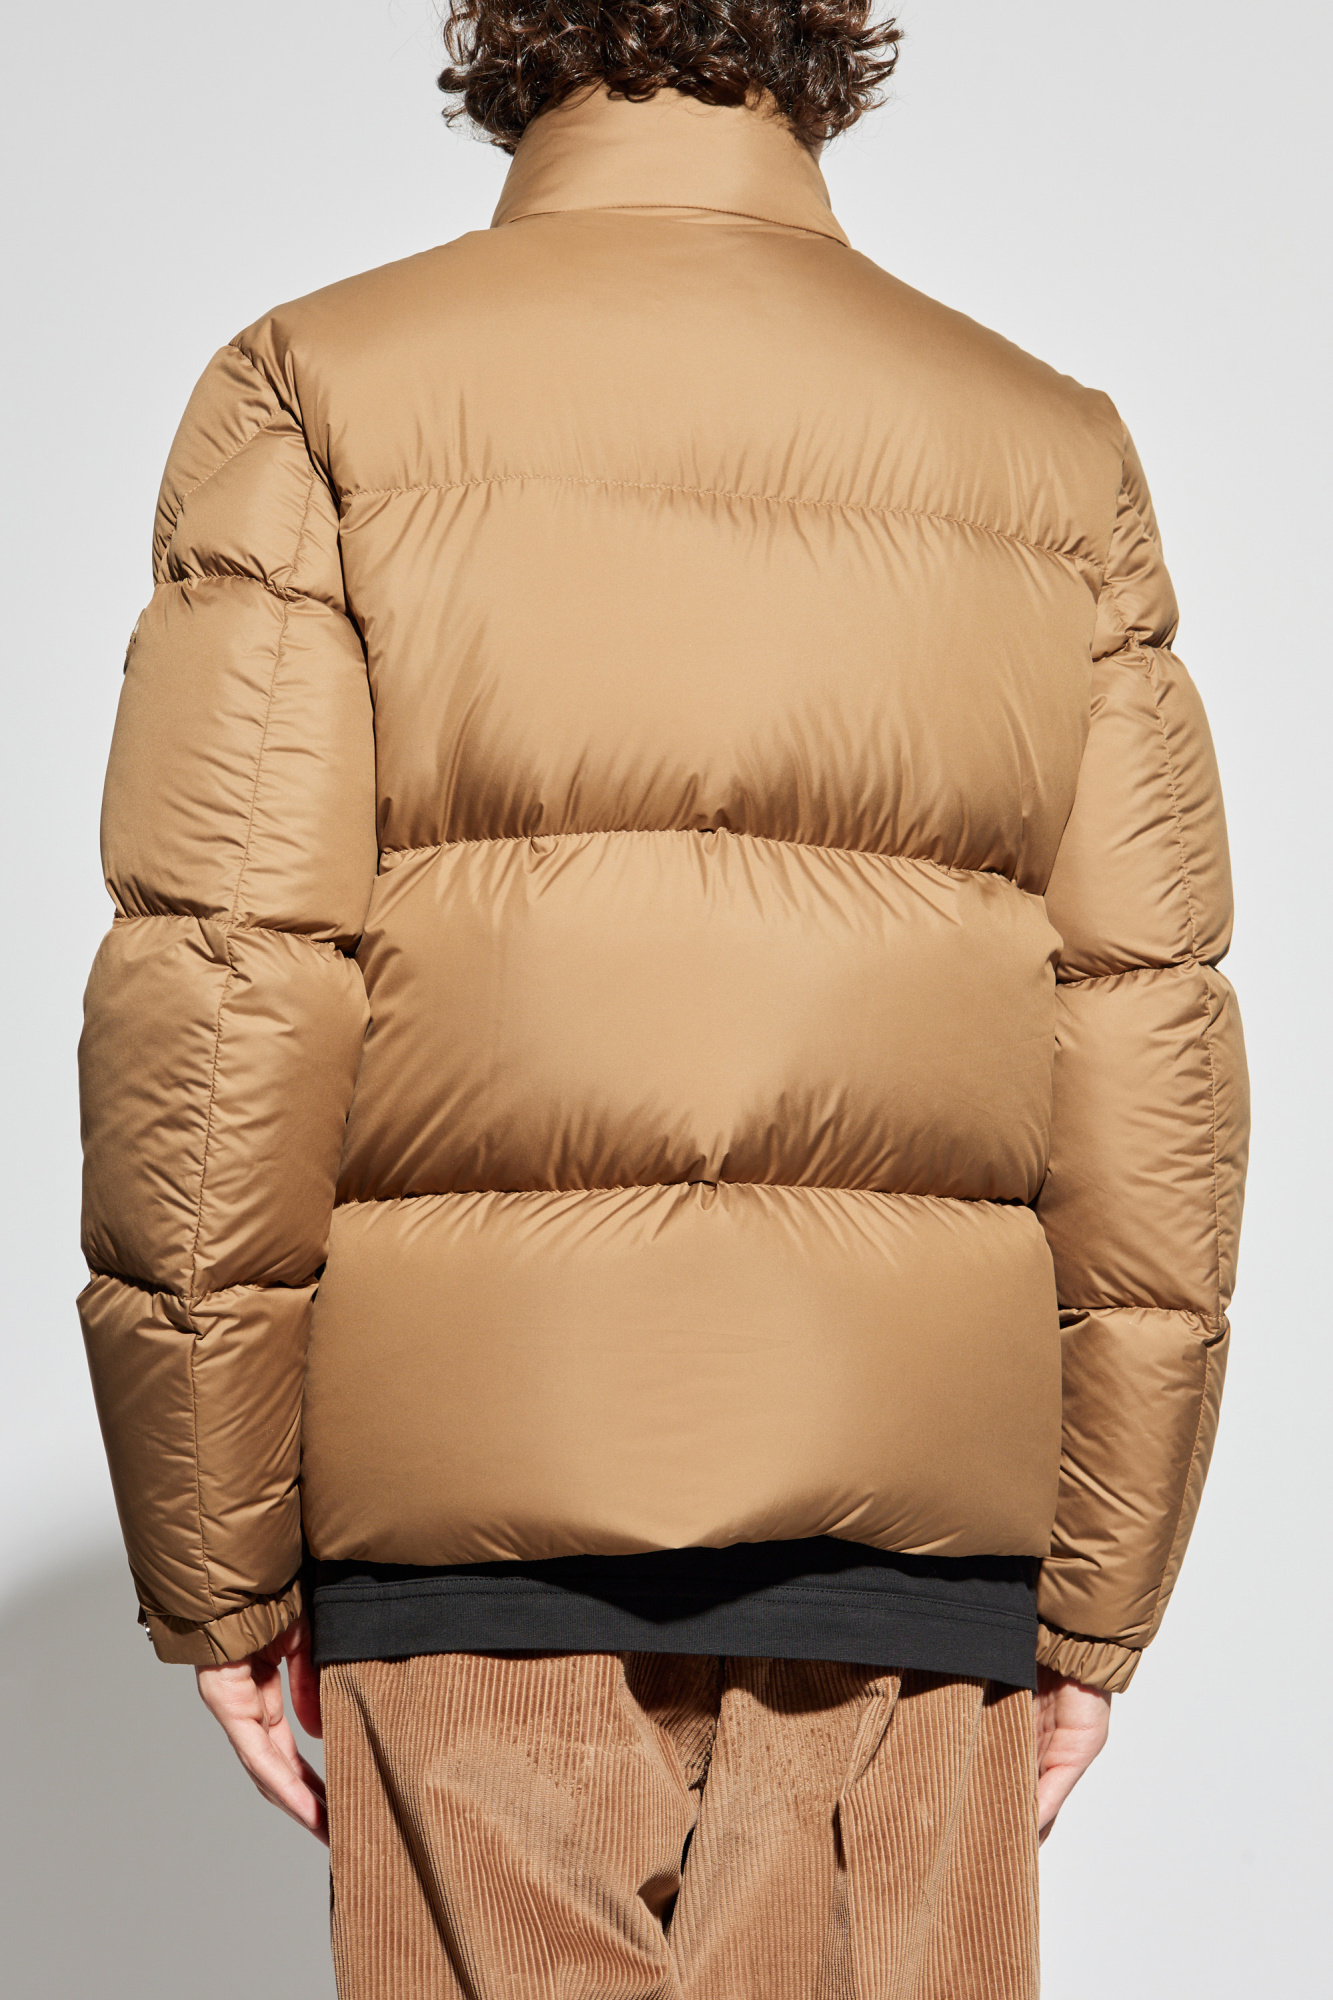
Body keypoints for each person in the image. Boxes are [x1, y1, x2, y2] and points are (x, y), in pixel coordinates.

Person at [77, 4, 1249, 1994]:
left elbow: (218, 1002)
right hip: (909, 1566)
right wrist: (1094, 1593)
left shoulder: (317, 389)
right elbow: (1147, 1044)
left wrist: (217, 1561)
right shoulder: (1048, 450)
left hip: (464, 1543)